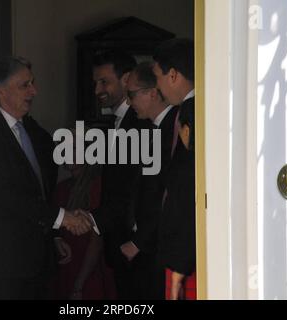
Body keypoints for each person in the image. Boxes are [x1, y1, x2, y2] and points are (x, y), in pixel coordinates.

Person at [0, 56, 92, 299]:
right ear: (0, 91)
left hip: (37, 262)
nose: (34, 91)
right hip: (1, 266)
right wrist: (62, 218)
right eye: (24, 85)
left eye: (33, 83)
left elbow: (42, 190)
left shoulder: (35, 132)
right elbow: (6, 195)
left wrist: (54, 235)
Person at [87, 50, 151, 299]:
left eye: (104, 81)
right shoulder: (117, 124)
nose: (97, 90)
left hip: (135, 246)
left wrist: (91, 219)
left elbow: (134, 187)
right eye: (95, 83)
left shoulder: (141, 123)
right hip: (120, 245)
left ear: (126, 80)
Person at [121, 61, 179, 299]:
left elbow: (167, 193)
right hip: (148, 246)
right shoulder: (153, 129)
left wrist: (139, 241)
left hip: (158, 247)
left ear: (152, 93)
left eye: (131, 95)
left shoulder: (174, 129)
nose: (128, 102)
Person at [153, 39, 197, 300]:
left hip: (187, 253)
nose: (157, 87)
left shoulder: (192, 113)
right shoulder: (191, 110)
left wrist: (179, 262)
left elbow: (187, 186)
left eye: (157, 77)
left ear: (173, 74)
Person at [51, 132, 116, 299]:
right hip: (67, 268)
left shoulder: (97, 186)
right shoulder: (61, 188)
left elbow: (97, 241)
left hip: (89, 272)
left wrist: (79, 285)